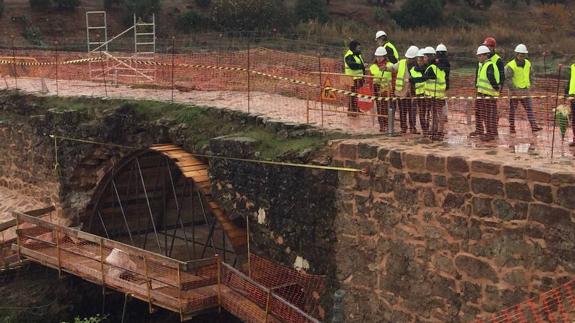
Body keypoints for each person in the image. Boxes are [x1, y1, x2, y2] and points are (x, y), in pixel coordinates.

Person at [505, 44, 542, 134]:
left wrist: (532, 85)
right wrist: (515, 90)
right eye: (520, 54)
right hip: (514, 91)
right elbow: (508, 79)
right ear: (516, 54)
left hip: (525, 90)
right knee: (512, 110)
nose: (522, 56)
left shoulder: (528, 63)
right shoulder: (510, 65)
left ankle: (534, 126)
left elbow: (531, 74)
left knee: (529, 109)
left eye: (523, 54)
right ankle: (512, 127)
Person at [473, 45, 501, 142]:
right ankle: (483, 131)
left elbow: (492, 79)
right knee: (482, 113)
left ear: (485, 55)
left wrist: (496, 89)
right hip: (482, 93)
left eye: (480, 56)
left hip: (488, 95)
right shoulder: (483, 65)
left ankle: (490, 134)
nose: (478, 57)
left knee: (489, 115)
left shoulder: (489, 65)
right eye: (478, 56)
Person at [389, 45, 419, 133]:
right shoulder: (402, 63)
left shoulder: (419, 66)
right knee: (403, 111)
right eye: (408, 58)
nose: (409, 60)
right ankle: (403, 127)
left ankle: (412, 128)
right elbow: (393, 68)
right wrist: (386, 68)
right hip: (402, 92)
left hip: (413, 92)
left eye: (411, 58)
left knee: (412, 111)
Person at [370, 46, 393, 132]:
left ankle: (387, 124)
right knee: (379, 107)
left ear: (384, 56)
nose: (379, 58)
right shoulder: (373, 66)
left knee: (386, 107)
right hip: (377, 88)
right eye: (377, 57)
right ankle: (382, 125)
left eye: (380, 56)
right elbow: (373, 76)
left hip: (387, 90)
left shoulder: (390, 65)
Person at [344, 40, 366, 115]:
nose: (360, 49)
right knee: (353, 95)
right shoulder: (349, 55)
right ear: (354, 48)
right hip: (351, 78)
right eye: (358, 48)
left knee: (356, 94)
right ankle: (351, 111)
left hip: (358, 78)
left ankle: (355, 109)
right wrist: (362, 66)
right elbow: (352, 65)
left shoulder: (357, 55)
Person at [376, 31, 400, 95]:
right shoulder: (388, 45)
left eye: (377, 40)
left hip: (393, 70)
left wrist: (389, 67)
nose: (377, 42)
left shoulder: (387, 47)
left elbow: (392, 60)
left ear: (381, 39)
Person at [410, 49, 427, 134]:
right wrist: (413, 94)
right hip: (417, 94)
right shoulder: (413, 70)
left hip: (426, 94)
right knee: (414, 111)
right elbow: (412, 82)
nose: (420, 62)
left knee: (423, 112)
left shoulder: (428, 69)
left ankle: (424, 129)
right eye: (418, 60)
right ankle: (413, 128)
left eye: (421, 60)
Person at [436, 44, 451, 123]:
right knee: (444, 100)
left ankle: (442, 116)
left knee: (440, 101)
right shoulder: (447, 61)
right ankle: (444, 116)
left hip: (440, 84)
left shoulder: (440, 62)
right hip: (445, 83)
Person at [567, 61, 575, 146]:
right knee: (574, 119)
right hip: (572, 95)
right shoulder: (573, 66)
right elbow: (570, 80)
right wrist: (567, 93)